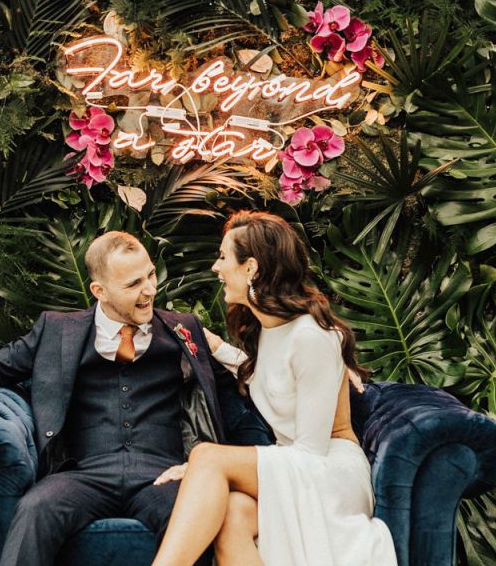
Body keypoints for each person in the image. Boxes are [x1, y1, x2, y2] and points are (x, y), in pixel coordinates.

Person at [0, 230, 232, 566]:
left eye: (150, 275)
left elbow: (237, 384)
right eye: (134, 284)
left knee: (192, 515)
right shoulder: (58, 330)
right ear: (99, 291)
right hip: (84, 475)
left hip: (163, 473)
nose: (150, 289)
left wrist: (221, 349)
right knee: (35, 509)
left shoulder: (183, 329)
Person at [152, 210, 398, 566]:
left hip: (330, 472)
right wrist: (215, 346)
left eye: (223, 257)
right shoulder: (269, 328)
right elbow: (269, 376)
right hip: (299, 465)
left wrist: (208, 466)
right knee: (233, 513)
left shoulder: (312, 336)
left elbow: (311, 451)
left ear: (251, 268)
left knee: (205, 455)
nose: (216, 268)